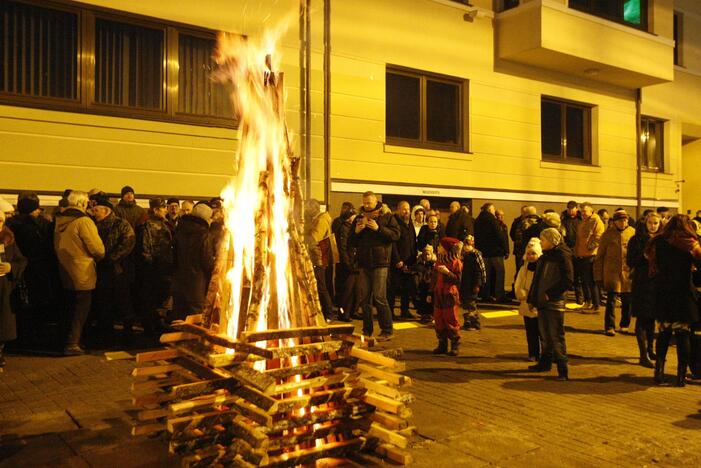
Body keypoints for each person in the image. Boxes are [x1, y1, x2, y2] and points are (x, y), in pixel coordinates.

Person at [647, 215, 701, 387]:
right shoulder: (690, 243)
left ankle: (659, 372)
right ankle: (680, 375)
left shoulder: (658, 242)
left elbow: (651, 265)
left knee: (663, 333)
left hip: (663, 293)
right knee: (683, 334)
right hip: (683, 293)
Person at [54, 191, 105, 355]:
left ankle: (67, 340)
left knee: (69, 308)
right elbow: (97, 249)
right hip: (82, 272)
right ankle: (72, 343)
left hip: (64, 270)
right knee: (81, 309)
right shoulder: (84, 221)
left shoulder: (59, 220)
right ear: (82, 204)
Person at [6, 193, 60, 347]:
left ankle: (18, 336)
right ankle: (31, 337)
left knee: (18, 305)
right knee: (35, 305)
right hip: (36, 270)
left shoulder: (10, 224)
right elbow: (43, 249)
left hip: (16, 271)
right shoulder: (37, 226)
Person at [349, 191, 400, 341]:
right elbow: (351, 242)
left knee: (379, 297)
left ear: (375, 201)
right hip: (364, 263)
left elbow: (396, 235)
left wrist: (378, 228)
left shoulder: (386, 217)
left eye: (369, 203)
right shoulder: (359, 218)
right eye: (364, 203)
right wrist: (357, 232)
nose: (366, 205)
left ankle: (387, 330)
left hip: (381, 262)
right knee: (364, 299)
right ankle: (367, 331)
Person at [527, 228, 574, 381]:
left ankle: (562, 368)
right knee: (545, 334)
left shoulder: (561, 255)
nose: (541, 242)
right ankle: (545, 363)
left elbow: (568, 280)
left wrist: (550, 294)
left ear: (552, 240)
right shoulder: (545, 257)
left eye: (543, 239)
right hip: (543, 300)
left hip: (554, 301)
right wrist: (533, 299)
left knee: (555, 335)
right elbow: (537, 279)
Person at [92, 195, 136, 346]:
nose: (94, 212)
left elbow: (128, 242)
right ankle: (106, 331)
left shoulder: (121, 224)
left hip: (118, 270)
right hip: (101, 269)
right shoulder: (94, 225)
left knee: (123, 300)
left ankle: (128, 331)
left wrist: (111, 259)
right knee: (104, 301)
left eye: (96, 210)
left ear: (106, 210)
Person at [627, 212, 661, 368]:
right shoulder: (636, 239)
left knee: (652, 318)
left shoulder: (662, 240)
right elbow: (630, 261)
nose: (653, 226)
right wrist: (644, 256)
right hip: (642, 282)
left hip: (656, 283)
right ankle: (643, 355)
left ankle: (650, 349)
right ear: (645, 223)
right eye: (650, 223)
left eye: (656, 223)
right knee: (642, 318)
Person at [136, 198, 174, 335]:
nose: (165, 210)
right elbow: (144, 248)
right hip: (153, 268)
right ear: (156, 209)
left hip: (163, 267)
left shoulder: (164, 223)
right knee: (151, 298)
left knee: (161, 297)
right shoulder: (147, 225)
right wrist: (150, 266)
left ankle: (157, 323)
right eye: (163, 208)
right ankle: (150, 327)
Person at [172, 202, 216, 320]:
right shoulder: (204, 234)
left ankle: (177, 337)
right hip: (196, 283)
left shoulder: (179, 229)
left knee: (179, 315)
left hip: (178, 281)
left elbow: (173, 256)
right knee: (195, 316)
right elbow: (206, 261)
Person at [595, 210, 635, 336]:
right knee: (611, 300)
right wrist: (598, 275)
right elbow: (600, 256)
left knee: (627, 300)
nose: (623, 223)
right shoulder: (607, 235)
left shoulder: (633, 233)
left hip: (628, 273)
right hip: (611, 272)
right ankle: (609, 326)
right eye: (620, 220)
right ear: (615, 222)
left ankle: (624, 324)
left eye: (625, 220)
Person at [0, 211, 28, 367]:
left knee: (3, 321)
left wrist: (11, 267)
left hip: (4, 287)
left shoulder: (8, 239)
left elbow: (21, 260)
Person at [304, 199, 335, 321]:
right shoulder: (319, 219)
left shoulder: (321, 220)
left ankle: (329, 314)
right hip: (319, 257)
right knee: (320, 286)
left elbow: (314, 238)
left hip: (319, 258)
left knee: (321, 287)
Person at [432, 237, 463, 356]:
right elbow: (434, 277)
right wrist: (431, 292)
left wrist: (447, 272)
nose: (438, 248)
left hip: (449, 294)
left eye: (440, 246)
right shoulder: (439, 261)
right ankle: (442, 343)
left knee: (450, 317)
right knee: (438, 318)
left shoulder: (455, 262)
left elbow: (458, 280)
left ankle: (455, 344)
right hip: (439, 293)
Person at [574, 202, 605, 313]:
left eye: (585, 211)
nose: (583, 213)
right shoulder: (583, 222)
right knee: (584, 281)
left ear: (591, 210)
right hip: (581, 255)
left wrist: (589, 248)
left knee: (591, 282)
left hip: (591, 256)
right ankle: (588, 302)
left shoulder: (596, 221)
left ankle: (595, 305)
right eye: (581, 211)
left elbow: (599, 237)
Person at [515, 238, 543, 362]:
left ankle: (546, 353)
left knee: (542, 331)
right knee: (530, 331)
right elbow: (518, 283)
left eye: (534, 253)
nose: (531, 256)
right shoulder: (523, 269)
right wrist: (521, 293)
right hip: (526, 302)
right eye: (529, 253)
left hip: (538, 303)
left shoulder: (542, 269)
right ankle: (533, 353)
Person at [474, 203, 508, 302]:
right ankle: (499, 295)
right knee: (499, 274)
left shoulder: (477, 220)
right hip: (495, 252)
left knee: (486, 275)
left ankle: (485, 295)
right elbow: (499, 235)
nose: (494, 212)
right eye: (493, 210)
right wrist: (505, 249)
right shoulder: (492, 220)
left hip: (483, 252)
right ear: (489, 210)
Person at [389, 201, 417, 320]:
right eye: (404, 209)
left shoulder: (409, 223)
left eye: (408, 209)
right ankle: (390, 312)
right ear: (398, 210)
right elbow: (393, 243)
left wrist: (414, 256)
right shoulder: (395, 223)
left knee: (407, 288)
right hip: (398, 262)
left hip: (409, 262)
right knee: (393, 289)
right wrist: (397, 259)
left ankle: (404, 311)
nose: (407, 211)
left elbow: (412, 240)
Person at [336, 210, 361, 321]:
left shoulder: (349, 228)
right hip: (348, 265)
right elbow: (343, 248)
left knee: (353, 290)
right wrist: (348, 264)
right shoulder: (345, 229)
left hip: (352, 264)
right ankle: (343, 313)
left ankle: (350, 312)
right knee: (347, 291)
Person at [459, 235, 486, 331]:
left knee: (471, 305)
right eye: (465, 244)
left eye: (468, 244)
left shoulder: (475, 256)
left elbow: (478, 272)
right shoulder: (464, 256)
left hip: (472, 285)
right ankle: (468, 322)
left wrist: (477, 284)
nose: (466, 246)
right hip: (465, 285)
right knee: (466, 305)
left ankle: (475, 323)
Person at [333, 202, 356, 310]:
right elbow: (343, 246)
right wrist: (347, 263)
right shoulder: (343, 226)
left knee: (345, 286)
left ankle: (343, 308)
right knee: (345, 286)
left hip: (343, 259)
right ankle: (343, 309)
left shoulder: (340, 223)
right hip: (344, 260)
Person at [414, 245, 436, 324]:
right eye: (425, 254)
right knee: (423, 300)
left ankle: (430, 315)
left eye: (428, 254)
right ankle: (424, 315)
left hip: (430, 285)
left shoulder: (433, 264)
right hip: (422, 284)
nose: (427, 256)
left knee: (430, 301)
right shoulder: (420, 263)